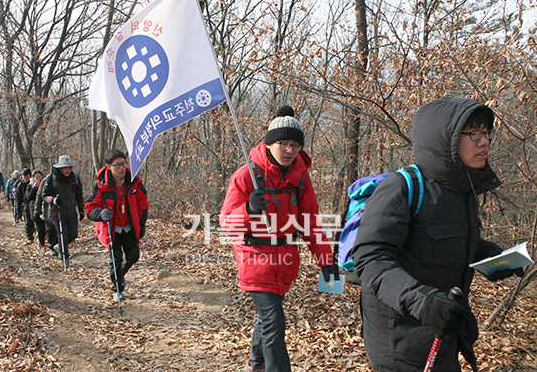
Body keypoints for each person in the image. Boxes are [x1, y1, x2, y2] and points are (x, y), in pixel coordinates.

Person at [352, 97, 525, 372]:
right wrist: (423, 302)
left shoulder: (462, 191)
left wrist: (490, 257)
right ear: (446, 139)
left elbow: (443, 241)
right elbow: (371, 260)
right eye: (474, 134)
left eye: (486, 133)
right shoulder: (401, 188)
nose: (484, 142)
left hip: (445, 331)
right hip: (400, 341)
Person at [219, 105, 336, 372]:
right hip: (254, 259)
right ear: (270, 143)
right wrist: (248, 210)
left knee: (267, 319)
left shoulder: (301, 178)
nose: (289, 150)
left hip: (285, 262)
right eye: (283, 143)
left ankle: (257, 362)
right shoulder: (246, 176)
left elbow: (310, 222)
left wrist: (326, 261)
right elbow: (226, 223)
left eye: (295, 145)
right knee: (274, 321)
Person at [85, 149, 148, 301]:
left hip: (129, 226)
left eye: (123, 164)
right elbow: (89, 208)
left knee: (133, 257)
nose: (122, 168)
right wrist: (100, 214)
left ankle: (120, 276)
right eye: (117, 165)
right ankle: (117, 289)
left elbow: (143, 203)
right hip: (111, 229)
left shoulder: (133, 181)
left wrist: (142, 224)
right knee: (116, 260)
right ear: (109, 167)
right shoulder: (100, 184)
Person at [42, 155, 85, 268]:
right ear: (60, 168)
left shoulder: (75, 178)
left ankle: (59, 247)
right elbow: (44, 195)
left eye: (69, 167)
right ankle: (64, 259)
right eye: (65, 167)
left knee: (73, 234)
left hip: (71, 211)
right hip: (57, 212)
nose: (67, 170)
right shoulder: (52, 178)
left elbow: (79, 195)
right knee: (63, 235)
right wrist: (53, 200)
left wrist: (81, 210)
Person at [34, 174, 59, 256]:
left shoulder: (65, 179)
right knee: (50, 229)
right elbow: (39, 196)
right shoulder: (46, 181)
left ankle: (58, 246)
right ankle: (51, 247)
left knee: (59, 229)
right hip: (47, 209)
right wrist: (37, 211)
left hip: (60, 209)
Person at [27, 170, 46, 250]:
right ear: (33, 178)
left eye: (40, 177)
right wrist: (34, 188)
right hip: (34, 209)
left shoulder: (45, 184)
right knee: (40, 228)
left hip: (44, 209)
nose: (38, 179)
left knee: (46, 228)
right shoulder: (30, 186)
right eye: (36, 177)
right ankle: (42, 244)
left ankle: (42, 240)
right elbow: (29, 197)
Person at [15, 168, 34, 241]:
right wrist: (18, 210)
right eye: (24, 177)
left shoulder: (33, 183)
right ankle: (30, 237)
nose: (25, 178)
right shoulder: (20, 185)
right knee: (28, 222)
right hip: (25, 204)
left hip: (34, 203)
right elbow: (19, 199)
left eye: (27, 176)